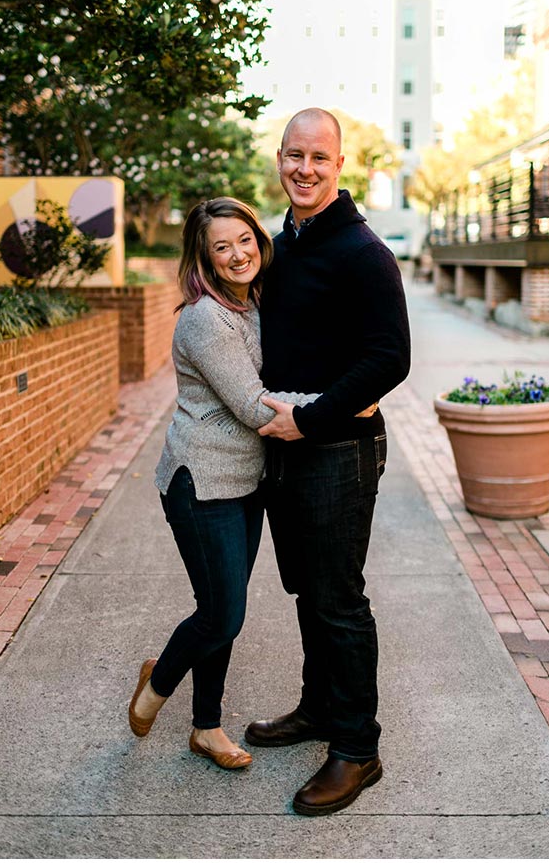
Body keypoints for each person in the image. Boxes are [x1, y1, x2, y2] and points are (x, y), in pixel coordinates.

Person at [126, 197, 374, 770]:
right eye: (221, 247)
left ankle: (206, 728)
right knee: (222, 614)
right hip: (201, 482)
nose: (237, 255)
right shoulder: (206, 318)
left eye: (244, 240)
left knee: (221, 604)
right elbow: (251, 406)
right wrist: (343, 406)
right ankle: (159, 683)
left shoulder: (250, 304)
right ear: (205, 260)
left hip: (247, 482)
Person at [244, 107, 411, 816]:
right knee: (308, 591)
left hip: (338, 451)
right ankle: (318, 708)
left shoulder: (362, 250)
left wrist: (310, 417)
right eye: (294, 156)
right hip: (290, 451)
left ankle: (357, 747)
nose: (305, 168)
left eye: (319, 157)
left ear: (338, 165)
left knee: (339, 600)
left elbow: (390, 358)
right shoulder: (285, 240)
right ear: (279, 160)